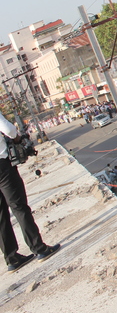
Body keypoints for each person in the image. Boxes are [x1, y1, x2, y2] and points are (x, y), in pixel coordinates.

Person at [0, 114, 61, 272]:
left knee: (1, 216)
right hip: (2, 167)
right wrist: (17, 137)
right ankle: (39, 249)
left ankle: (12, 259)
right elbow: (9, 130)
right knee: (18, 207)